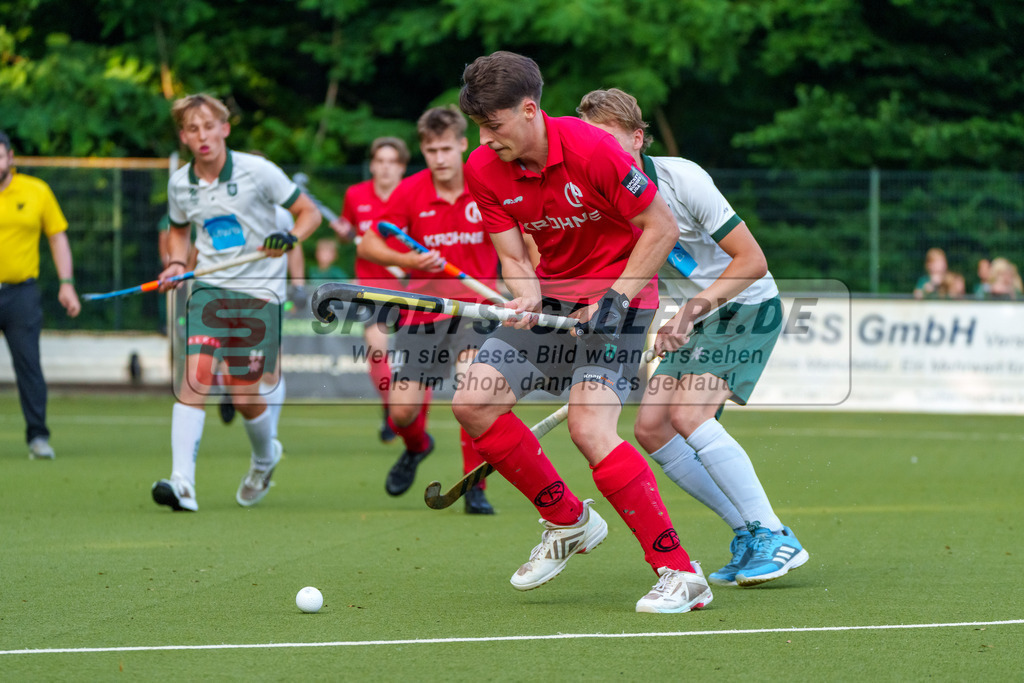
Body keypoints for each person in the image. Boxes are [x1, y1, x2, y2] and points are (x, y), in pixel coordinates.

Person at [450, 52, 712, 613]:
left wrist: (614, 300)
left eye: (494, 126)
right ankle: (568, 520)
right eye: (479, 127)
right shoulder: (483, 168)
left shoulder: (595, 150)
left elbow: (660, 228)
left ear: (529, 109)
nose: (486, 139)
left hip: (624, 297)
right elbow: (514, 256)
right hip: (552, 299)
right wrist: (524, 294)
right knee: (474, 402)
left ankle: (680, 572)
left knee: (590, 429)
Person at [577, 87, 809, 587]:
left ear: (638, 139)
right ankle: (750, 532)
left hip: (746, 306)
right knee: (652, 428)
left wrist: (691, 312)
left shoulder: (684, 180)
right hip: (699, 316)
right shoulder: (602, 196)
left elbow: (753, 261)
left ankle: (775, 534)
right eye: (589, 143)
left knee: (688, 414)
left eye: (610, 140)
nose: (600, 153)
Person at [151, 93, 321, 512]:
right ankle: (182, 484)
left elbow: (309, 213)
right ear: (184, 137)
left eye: (209, 126)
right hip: (209, 289)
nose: (202, 135)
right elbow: (177, 230)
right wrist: (175, 261)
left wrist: (291, 238)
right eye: (193, 129)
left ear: (225, 128)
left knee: (245, 397)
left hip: (259, 294)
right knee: (195, 379)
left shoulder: (257, 170)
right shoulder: (180, 184)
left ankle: (265, 458)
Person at [357, 106, 499, 515]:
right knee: (401, 411)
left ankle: (475, 488)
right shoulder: (410, 191)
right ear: (423, 149)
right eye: (430, 150)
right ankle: (417, 447)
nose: (438, 158)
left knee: (469, 388)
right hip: (422, 311)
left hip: (475, 307)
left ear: (462, 144)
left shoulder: (485, 185)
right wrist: (415, 263)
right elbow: (369, 245)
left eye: (445, 149)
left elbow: (523, 238)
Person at [0, 129, 81, 460]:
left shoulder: (36, 191)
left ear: (10, 157)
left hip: (21, 295)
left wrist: (66, 282)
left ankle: (38, 437)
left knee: (29, 366)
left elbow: (57, 237)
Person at [332, 137, 411, 444]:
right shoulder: (355, 194)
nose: (385, 168)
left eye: (392, 162)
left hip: (410, 288)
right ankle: (390, 410)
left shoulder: (412, 195)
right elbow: (348, 232)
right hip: (371, 287)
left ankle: (406, 412)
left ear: (402, 167)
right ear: (372, 164)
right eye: (379, 161)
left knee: (416, 355)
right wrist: (342, 233)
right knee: (377, 349)